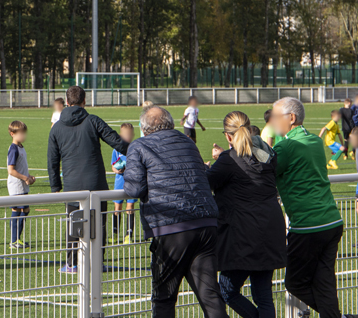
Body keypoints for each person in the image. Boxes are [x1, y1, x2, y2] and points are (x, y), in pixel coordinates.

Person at [124, 105, 227, 318]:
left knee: (164, 297)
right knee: (210, 296)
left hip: (171, 225)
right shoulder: (188, 142)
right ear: (170, 123)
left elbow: (134, 189)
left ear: (144, 128)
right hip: (205, 222)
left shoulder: (139, 146)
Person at [270, 97, 350, 318]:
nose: (272, 122)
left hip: (307, 226)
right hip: (331, 220)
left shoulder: (286, 147)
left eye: (276, 117)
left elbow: (265, 167)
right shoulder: (314, 141)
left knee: (295, 283)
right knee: (324, 282)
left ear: (291, 118)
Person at [208, 112, 285, 318]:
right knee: (264, 296)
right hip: (270, 228)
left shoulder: (228, 160)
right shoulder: (268, 154)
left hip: (243, 234)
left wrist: (205, 166)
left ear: (228, 136)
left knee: (227, 290)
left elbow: (208, 182)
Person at [48, 85, 129, 273]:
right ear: (84, 101)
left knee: (73, 224)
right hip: (96, 184)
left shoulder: (57, 127)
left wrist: (55, 187)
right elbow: (117, 142)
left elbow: (52, 159)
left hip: (72, 186)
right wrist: (138, 150)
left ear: (66, 103)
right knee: (98, 224)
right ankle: (97, 262)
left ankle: (71, 263)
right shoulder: (93, 120)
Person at [7, 120, 35, 249]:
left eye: (24, 132)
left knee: (26, 210)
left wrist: (29, 177)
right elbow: (11, 170)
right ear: (12, 134)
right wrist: (25, 178)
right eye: (21, 133)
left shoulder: (21, 147)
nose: (23, 135)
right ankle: (14, 241)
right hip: (16, 185)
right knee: (17, 210)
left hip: (22, 183)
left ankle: (17, 239)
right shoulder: (13, 148)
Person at [111, 123, 138, 244]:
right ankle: (115, 233)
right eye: (125, 134)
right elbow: (112, 165)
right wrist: (117, 169)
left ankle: (129, 234)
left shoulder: (135, 148)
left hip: (132, 181)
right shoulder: (116, 149)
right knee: (117, 207)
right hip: (119, 182)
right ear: (120, 135)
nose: (127, 136)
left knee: (130, 207)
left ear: (133, 135)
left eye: (129, 134)